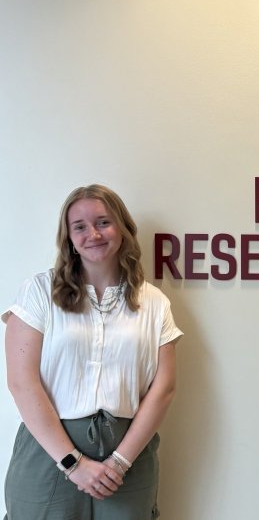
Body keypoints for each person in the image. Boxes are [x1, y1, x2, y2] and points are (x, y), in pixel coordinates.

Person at [2, 184, 183, 519]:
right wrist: (72, 462)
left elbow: (164, 388)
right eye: (80, 226)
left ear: (122, 228)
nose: (93, 234)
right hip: (48, 455)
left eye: (103, 222)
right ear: (69, 238)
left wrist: (120, 461)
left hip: (128, 460)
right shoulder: (38, 292)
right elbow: (22, 382)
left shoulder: (154, 302)